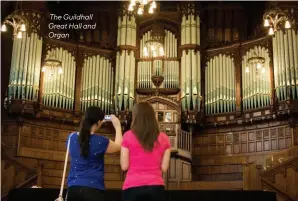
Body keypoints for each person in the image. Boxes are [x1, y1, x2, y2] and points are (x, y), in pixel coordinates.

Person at [66, 106, 122, 201]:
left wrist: (97, 123)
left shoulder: (71, 138)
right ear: (99, 122)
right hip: (93, 190)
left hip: (73, 188)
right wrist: (117, 126)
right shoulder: (101, 141)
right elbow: (119, 146)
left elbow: (84, 139)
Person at [120, 102, 171, 201]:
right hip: (156, 187)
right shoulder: (164, 138)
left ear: (135, 117)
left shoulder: (127, 135)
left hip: (132, 186)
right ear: (153, 117)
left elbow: (124, 166)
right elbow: (164, 168)